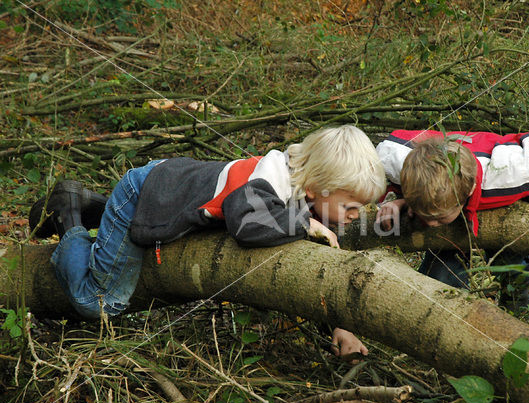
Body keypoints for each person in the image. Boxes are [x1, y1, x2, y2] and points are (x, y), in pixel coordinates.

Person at [29, 125, 386, 359]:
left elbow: (317, 273)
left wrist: (341, 325)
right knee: (98, 300)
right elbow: (246, 224)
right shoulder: (269, 180)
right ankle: (71, 215)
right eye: (350, 205)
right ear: (315, 189)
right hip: (144, 193)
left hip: (167, 193)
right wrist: (304, 225)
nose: (357, 213)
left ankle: (99, 211)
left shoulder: (305, 196)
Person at [375, 129, 529, 311]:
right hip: (446, 192)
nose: (432, 224)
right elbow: (383, 164)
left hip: (507, 212)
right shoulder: (398, 160)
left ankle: (517, 307)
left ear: (468, 191)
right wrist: (396, 197)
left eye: (439, 217)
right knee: (440, 279)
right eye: (423, 214)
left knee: (514, 267)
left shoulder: (512, 171)